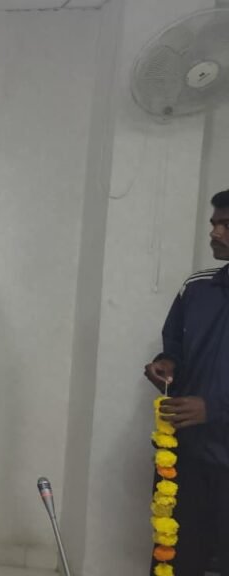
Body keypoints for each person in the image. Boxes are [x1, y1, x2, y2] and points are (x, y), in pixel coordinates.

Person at [144, 190, 229, 576]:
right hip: (189, 456)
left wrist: (215, 408)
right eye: (214, 223)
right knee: (177, 558)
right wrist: (167, 365)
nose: (214, 231)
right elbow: (175, 346)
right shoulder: (197, 287)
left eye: (225, 224)